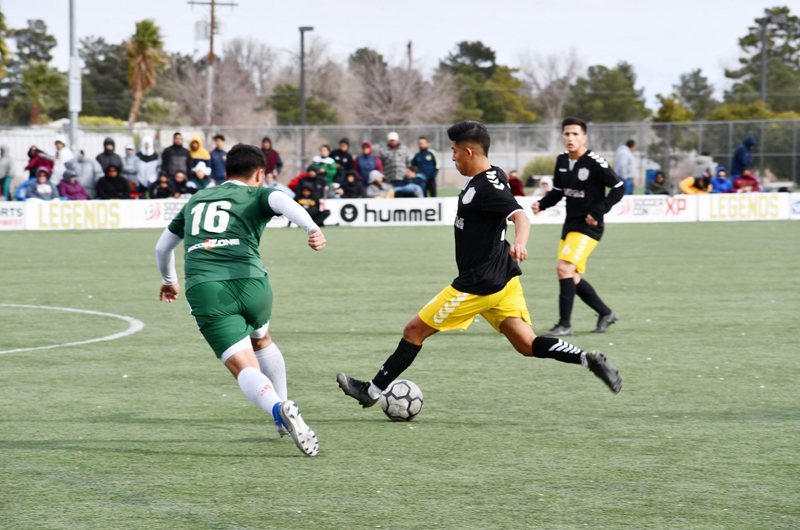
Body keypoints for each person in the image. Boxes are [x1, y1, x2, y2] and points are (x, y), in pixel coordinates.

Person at [336, 120, 622, 412]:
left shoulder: (488, 188)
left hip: (478, 284)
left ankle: (371, 391)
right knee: (527, 344)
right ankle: (588, 359)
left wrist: (520, 242)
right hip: (504, 282)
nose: (452, 157)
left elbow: (520, 217)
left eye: (455, 151)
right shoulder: (493, 175)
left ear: (470, 152)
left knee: (413, 331)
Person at [154, 143, 326, 456]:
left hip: (208, 290)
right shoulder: (258, 194)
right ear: (260, 173)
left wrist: (170, 282)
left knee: (243, 366)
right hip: (254, 286)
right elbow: (282, 200)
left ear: (226, 170)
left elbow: (162, 248)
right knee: (262, 338)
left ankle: (279, 410)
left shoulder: (197, 199)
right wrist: (311, 227)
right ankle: (283, 417)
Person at [532, 117, 624, 336]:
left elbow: (619, 188)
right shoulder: (562, 160)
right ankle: (606, 312)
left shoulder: (595, 161)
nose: (570, 138)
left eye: (575, 134)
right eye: (566, 133)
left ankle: (565, 324)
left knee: (563, 268)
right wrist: (542, 204)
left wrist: (598, 211)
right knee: (570, 275)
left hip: (589, 226)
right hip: (570, 224)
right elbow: (558, 191)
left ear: (584, 137)